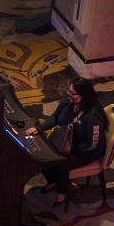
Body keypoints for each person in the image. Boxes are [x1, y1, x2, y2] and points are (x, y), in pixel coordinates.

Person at [26, 78, 106, 206]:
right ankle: (53, 180)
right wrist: (39, 128)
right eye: (69, 91)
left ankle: (61, 192)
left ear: (84, 96)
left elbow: (92, 144)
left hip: (86, 150)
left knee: (60, 163)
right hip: (67, 141)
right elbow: (55, 117)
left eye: (74, 94)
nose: (69, 95)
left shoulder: (93, 117)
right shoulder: (67, 102)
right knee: (44, 152)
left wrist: (68, 151)